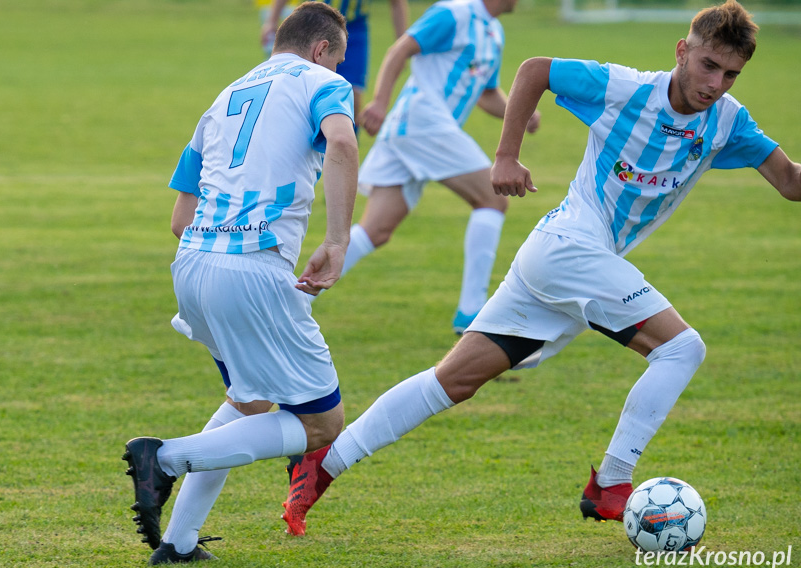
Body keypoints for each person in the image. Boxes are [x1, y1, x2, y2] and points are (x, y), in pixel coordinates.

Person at [279, 0, 800, 537]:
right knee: (682, 348)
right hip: (568, 248)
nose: (716, 83)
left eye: (731, 74)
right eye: (708, 65)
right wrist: (504, 155)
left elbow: (790, 182)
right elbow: (536, 71)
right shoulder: (628, 90)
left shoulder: (728, 123)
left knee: (453, 380)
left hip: (562, 260)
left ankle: (322, 465)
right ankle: (612, 485)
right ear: (682, 51)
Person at [122, 2, 359, 565]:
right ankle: (168, 458)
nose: (340, 69)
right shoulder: (321, 81)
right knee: (323, 424)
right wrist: (338, 240)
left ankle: (177, 544)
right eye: (339, 59)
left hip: (193, 264)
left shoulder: (225, 95)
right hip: (251, 267)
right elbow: (345, 144)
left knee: (248, 401)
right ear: (322, 49)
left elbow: (180, 218)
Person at [318, 0, 540, 334]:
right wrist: (379, 100)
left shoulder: (494, 31)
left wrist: (521, 113)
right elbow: (400, 50)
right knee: (493, 199)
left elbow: (487, 92)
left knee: (375, 230)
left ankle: (295, 299)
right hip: (423, 122)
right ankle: (471, 314)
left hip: (417, 131)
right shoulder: (453, 13)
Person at [262, 0, 409, 115]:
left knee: (352, 98)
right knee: (305, 86)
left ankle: (342, 146)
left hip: (354, 26)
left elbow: (397, 3)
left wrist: (402, 43)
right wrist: (272, 21)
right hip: (313, 23)